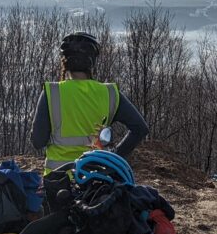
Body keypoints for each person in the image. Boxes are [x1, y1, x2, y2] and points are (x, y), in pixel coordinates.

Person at [31, 32, 148, 173]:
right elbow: (140, 128)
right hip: (95, 180)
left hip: (57, 180)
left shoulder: (52, 92)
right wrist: (114, 156)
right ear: (92, 62)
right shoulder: (110, 93)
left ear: (65, 62)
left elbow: (38, 141)